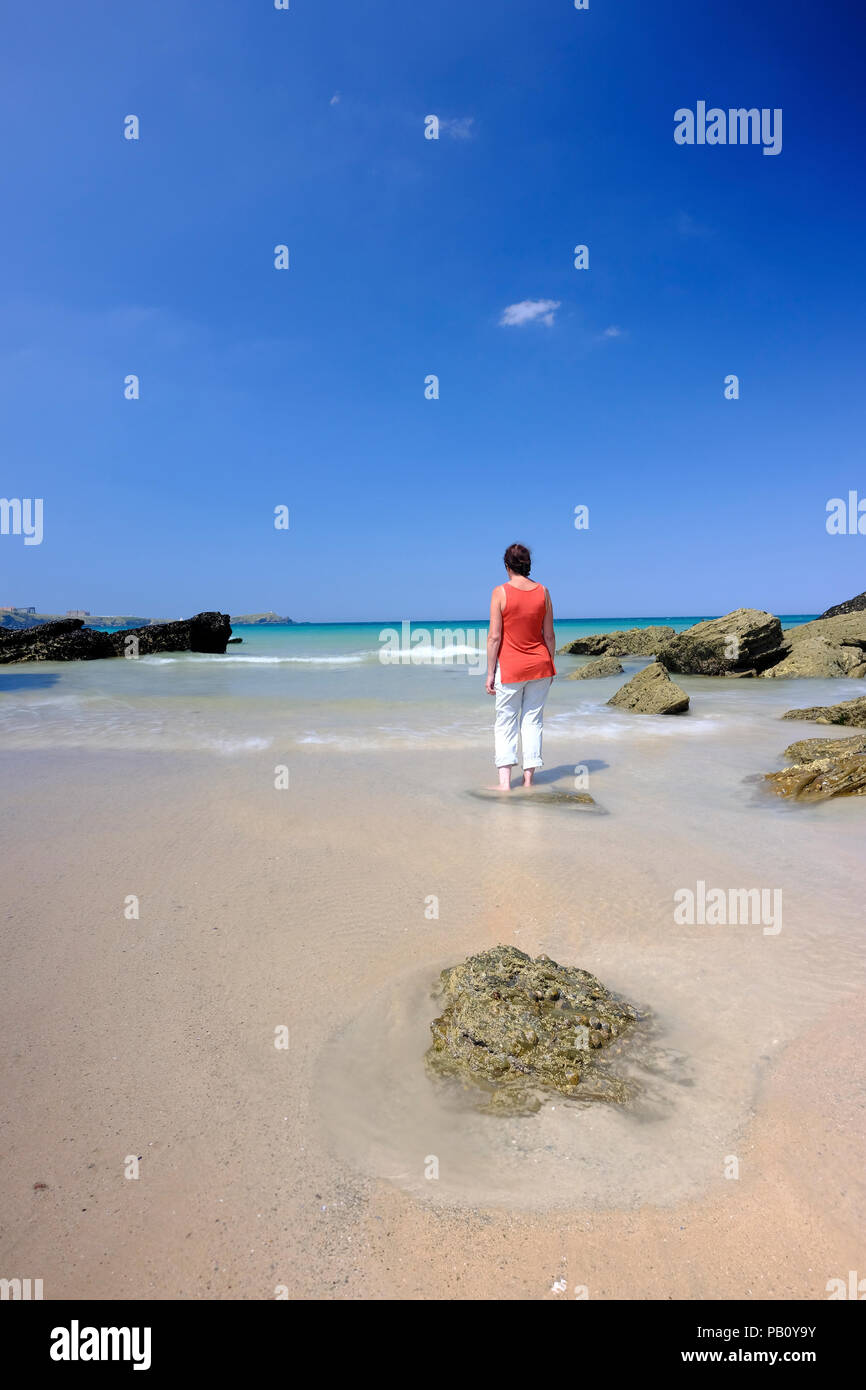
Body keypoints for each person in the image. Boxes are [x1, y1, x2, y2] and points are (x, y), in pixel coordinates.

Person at [486, 543, 556, 791]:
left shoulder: (500, 592)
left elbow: (494, 637)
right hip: (540, 666)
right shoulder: (543, 591)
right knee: (532, 722)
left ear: (507, 566)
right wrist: (551, 664)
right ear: (528, 566)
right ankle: (528, 781)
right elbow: (548, 635)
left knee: (505, 722)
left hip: (511, 668)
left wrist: (490, 673)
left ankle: (505, 784)